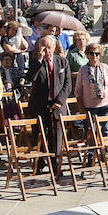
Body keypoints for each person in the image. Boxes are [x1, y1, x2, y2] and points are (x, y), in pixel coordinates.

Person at [25, 36, 70, 169]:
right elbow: (30, 78)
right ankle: (38, 164)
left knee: (56, 136)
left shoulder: (62, 62)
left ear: (54, 47)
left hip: (56, 105)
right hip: (39, 105)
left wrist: (60, 101)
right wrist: (39, 60)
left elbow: (67, 84)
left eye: (48, 47)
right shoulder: (35, 62)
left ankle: (56, 165)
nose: (46, 51)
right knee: (38, 135)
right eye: (42, 47)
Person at [74, 48, 108, 164]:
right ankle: (91, 156)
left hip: (105, 105)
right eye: (91, 53)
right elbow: (77, 91)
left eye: (97, 53)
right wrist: (81, 108)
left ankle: (105, 154)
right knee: (91, 132)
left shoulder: (105, 67)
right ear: (87, 55)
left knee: (106, 130)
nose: (94, 56)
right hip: (89, 106)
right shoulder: (83, 70)